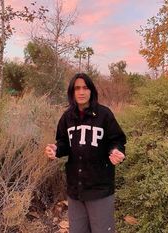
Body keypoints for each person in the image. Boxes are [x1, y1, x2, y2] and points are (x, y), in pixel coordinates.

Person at [45, 73, 126, 233]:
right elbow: (63, 143)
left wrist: (116, 151)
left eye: (85, 87)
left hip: (99, 189)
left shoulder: (104, 115)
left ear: (91, 91)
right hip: (75, 190)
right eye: (77, 88)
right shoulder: (67, 117)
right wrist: (55, 149)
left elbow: (117, 140)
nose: (81, 92)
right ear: (72, 92)